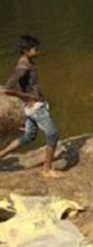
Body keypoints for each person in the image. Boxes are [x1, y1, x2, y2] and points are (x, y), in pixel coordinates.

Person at [0, 35, 62, 178]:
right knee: (53, 134)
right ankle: (47, 169)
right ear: (26, 50)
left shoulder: (27, 62)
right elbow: (7, 89)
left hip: (33, 107)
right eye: (35, 49)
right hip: (36, 108)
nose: (38, 51)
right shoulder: (23, 66)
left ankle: (1, 154)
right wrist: (27, 97)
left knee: (28, 136)